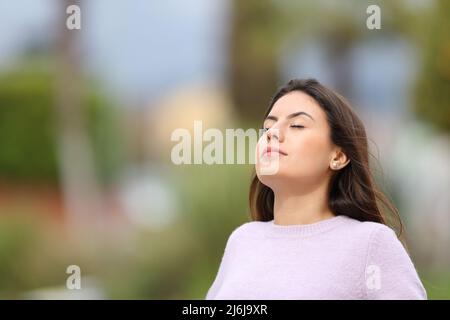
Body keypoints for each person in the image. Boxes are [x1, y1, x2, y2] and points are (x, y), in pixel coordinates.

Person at [205, 78, 427, 300]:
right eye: (267, 128)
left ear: (339, 156)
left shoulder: (370, 243)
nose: (272, 133)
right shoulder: (242, 241)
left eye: (297, 125)